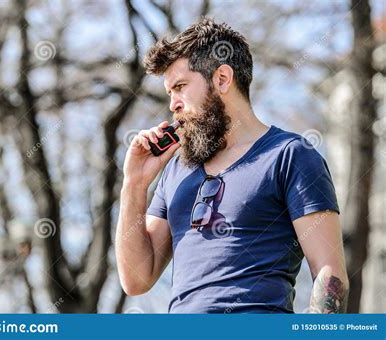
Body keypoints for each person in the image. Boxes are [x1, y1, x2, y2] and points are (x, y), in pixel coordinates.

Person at [115, 18, 349, 313]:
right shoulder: (175, 171)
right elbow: (136, 280)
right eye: (169, 93)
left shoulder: (291, 156)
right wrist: (134, 184)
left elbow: (330, 277)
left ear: (222, 79)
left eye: (181, 87)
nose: (173, 104)